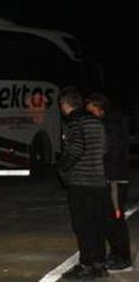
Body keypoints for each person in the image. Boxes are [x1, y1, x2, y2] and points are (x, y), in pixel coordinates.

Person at [58, 87, 108, 279]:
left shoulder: (74, 122)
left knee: (83, 226)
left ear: (65, 104)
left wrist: (62, 168)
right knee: (97, 224)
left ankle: (86, 265)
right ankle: (99, 265)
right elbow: (105, 148)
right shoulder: (96, 122)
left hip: (81, 182)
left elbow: (76, 149)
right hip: (98, 181)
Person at [85, 93, 132, 273]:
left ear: (100, 107)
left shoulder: (110, 125)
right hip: (112, 178)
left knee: (115, 218)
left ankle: (123, 257)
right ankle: (117, 254)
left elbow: (112, 154)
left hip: (114, 180)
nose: (91, 115)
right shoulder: (111, 122)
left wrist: (107, 177)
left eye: (92, 111)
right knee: (110, 218)